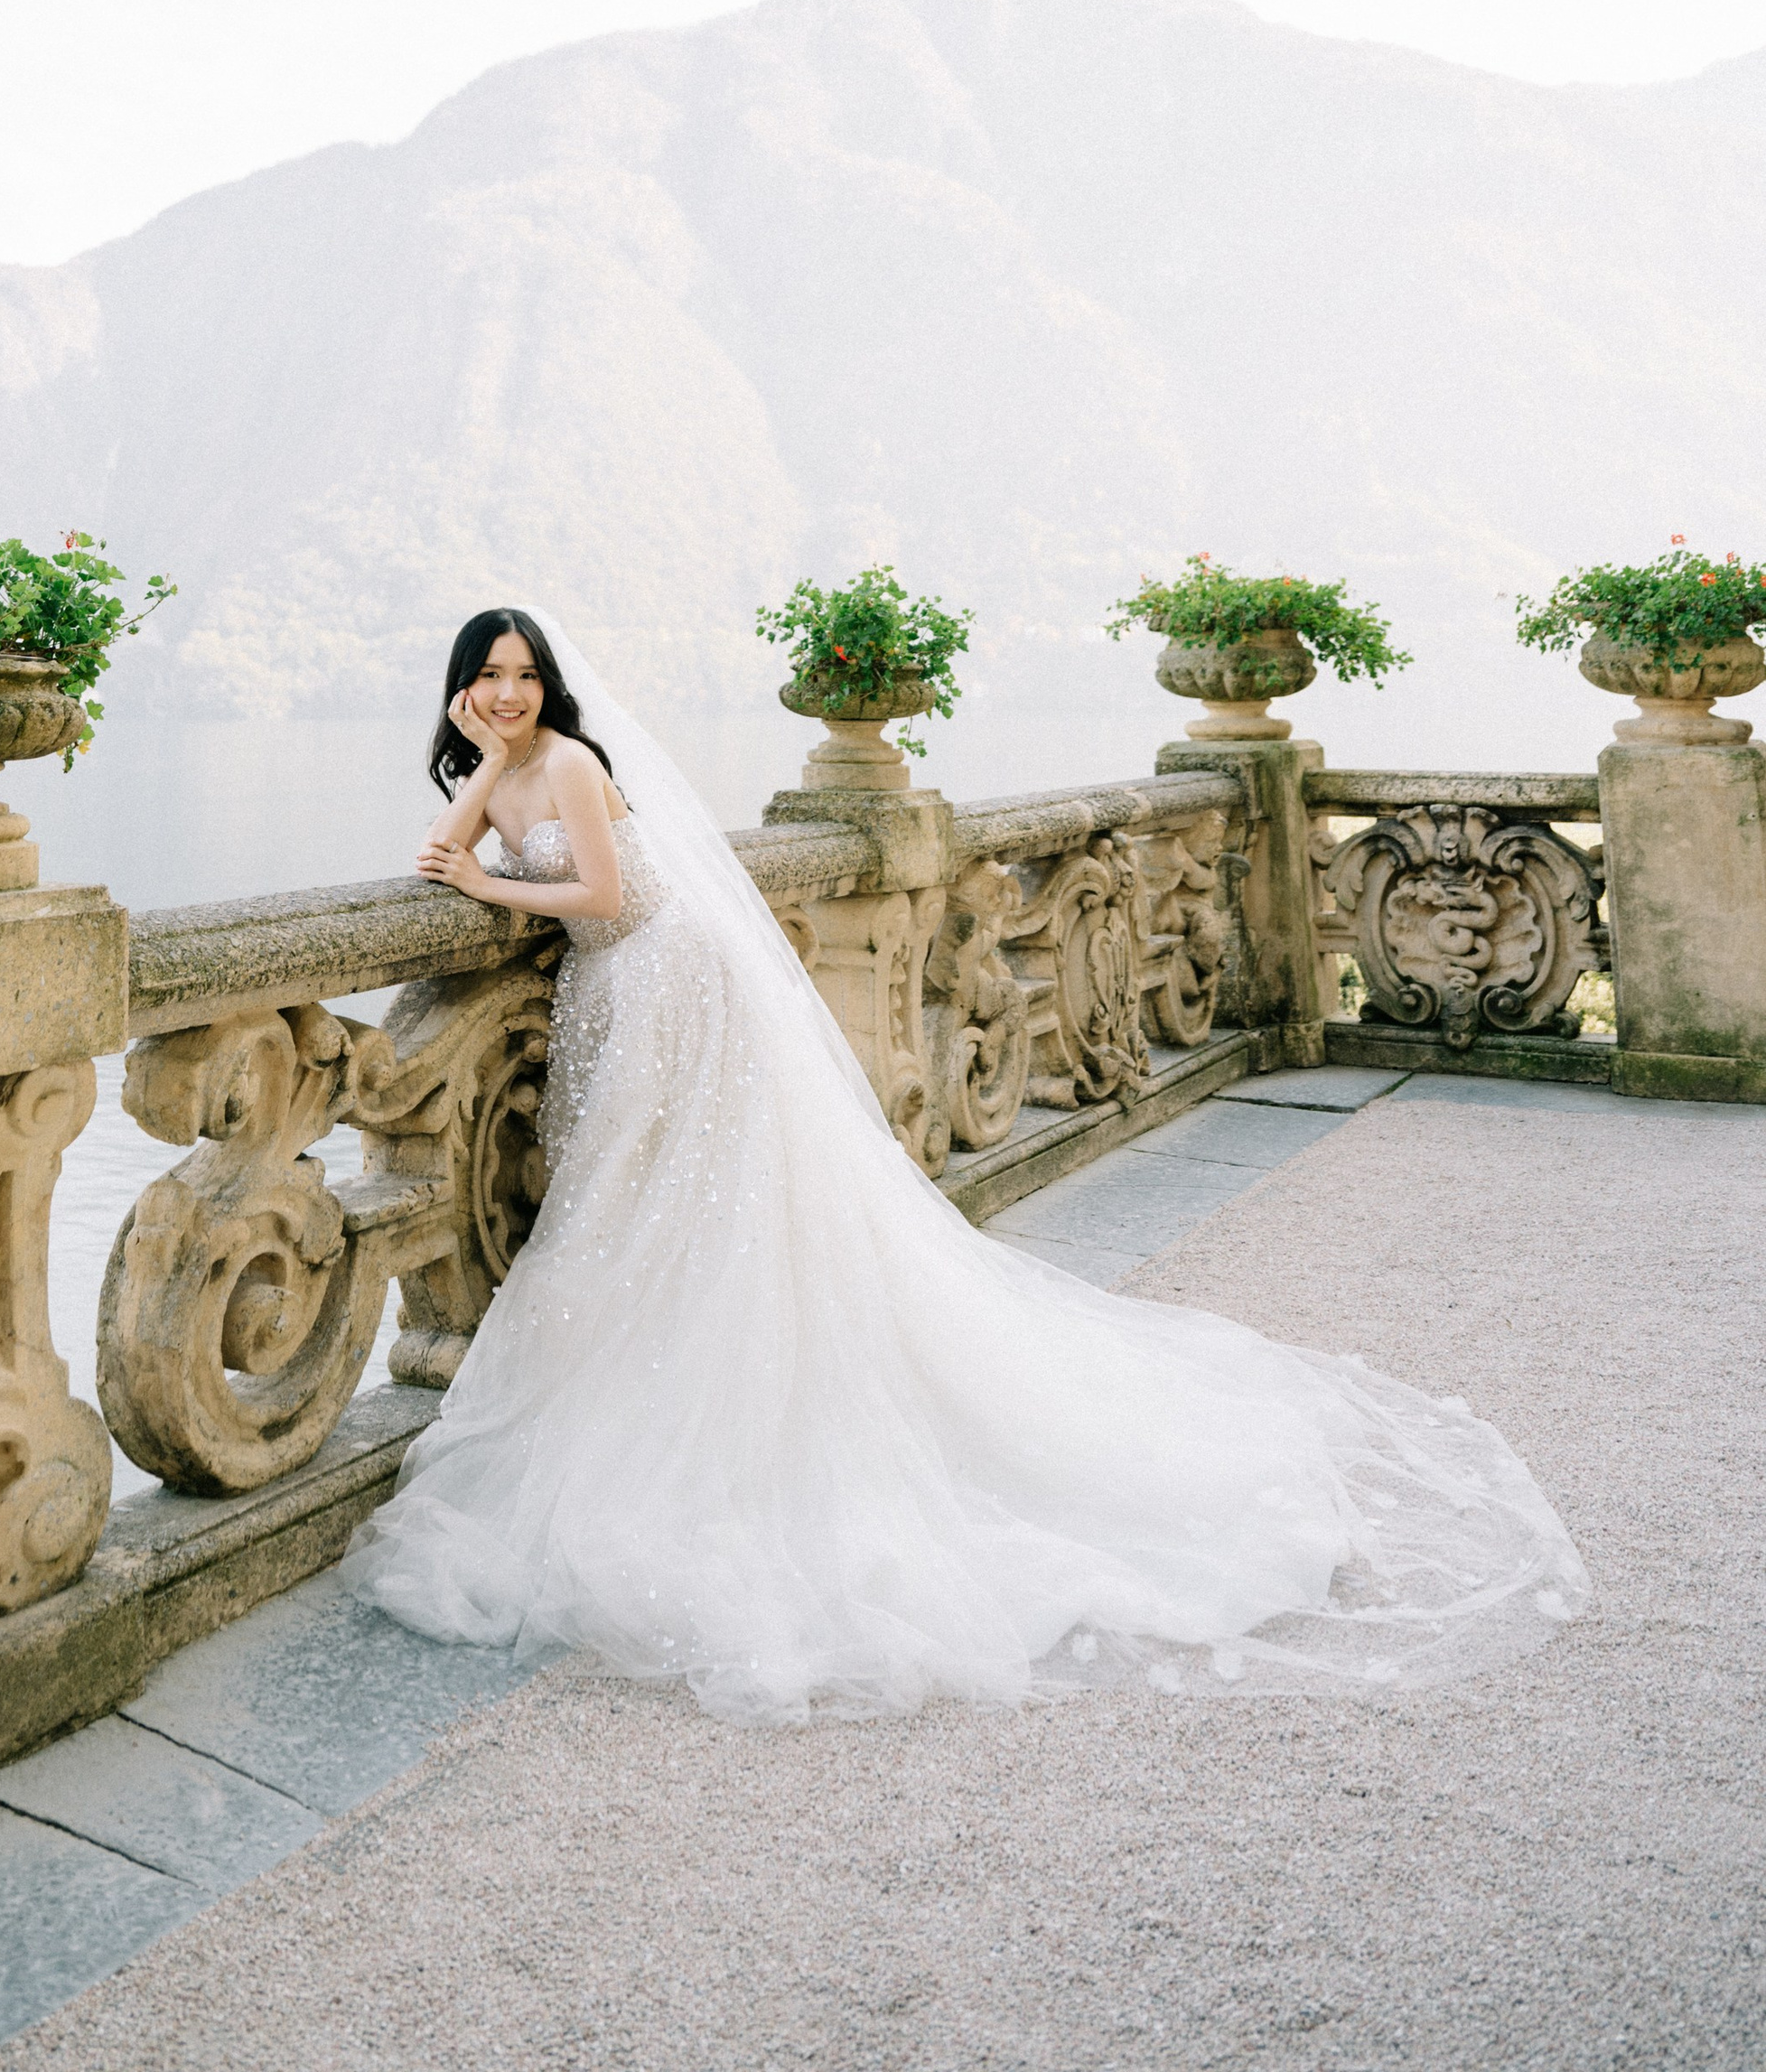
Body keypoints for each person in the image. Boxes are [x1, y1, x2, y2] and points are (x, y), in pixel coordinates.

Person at [342, 606, 1590, 1726]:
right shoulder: (517, 765)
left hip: (662, 982)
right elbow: (443, 854)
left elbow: (610, 900)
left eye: (520, 677)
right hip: (620, 996)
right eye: (484, 679)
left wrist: (497, 860)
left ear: (548, 686)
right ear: (463, 691)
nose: (505, 694)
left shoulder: (569, 762)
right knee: (637, 1194)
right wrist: (481, 782)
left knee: (653, 1194)